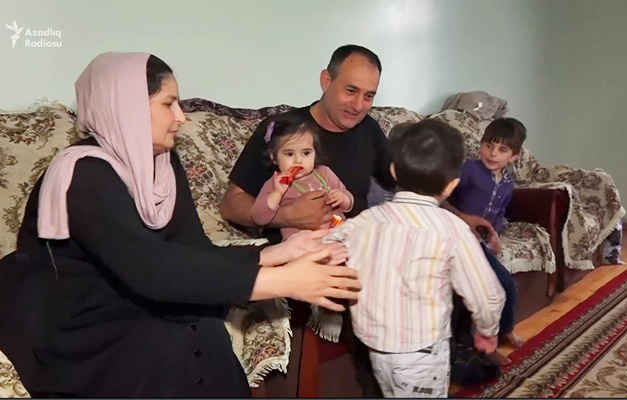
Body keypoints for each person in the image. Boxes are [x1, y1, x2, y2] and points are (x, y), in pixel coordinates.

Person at [0, 52, 362, 397]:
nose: (180, 117)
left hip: (130, 288)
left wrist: (276, 253)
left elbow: (191, 251)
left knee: (204, 329)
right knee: (165, 345)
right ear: (127, 107)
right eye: (168, 103)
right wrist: (283, 280)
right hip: (73, 312)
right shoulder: (84, 173)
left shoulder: (162, 162)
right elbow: (149, 269)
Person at [221, 44, 394, 396]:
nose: (359, 104)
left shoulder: (369, 130)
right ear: (326, 80)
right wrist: (288, 215)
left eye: (369, 96)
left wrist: (452, 215)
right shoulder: (284, 131)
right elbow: (231, 204)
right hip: (306, 245)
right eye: (350, 90)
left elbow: (402, 182)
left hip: (355, 236)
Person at [325, 119, 505, 398]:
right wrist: (487, 330)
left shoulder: (364, 221)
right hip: (423, 352)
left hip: (373, 345)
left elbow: (324, 247)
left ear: (393, 171)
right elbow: (487, 294)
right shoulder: (452, 229)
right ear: (451, 186)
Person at [448, 117, 528, 364]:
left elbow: (500, 213)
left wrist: (495, 235)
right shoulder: (468, 170)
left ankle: (505, 330)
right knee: (500, 288)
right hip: (459, 239)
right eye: (488, 145)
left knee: (508, 287)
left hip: (481, 245)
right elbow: (441, 198)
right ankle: (485, 345)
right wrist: (462, 218)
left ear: (514, 156)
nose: (493, 154)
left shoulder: (508, 182)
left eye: (502, 149)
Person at [251, 112, 354, 240]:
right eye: (289, 154)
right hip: (301, 242)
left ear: (315, 153)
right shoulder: (276, 184)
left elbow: (348, 202)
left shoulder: (325, 172)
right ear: (274, 157)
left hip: (336, 234)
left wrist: (343, 198)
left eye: (306, 153)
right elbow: (259, 218)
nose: (298, 161)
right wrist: (277, 194)